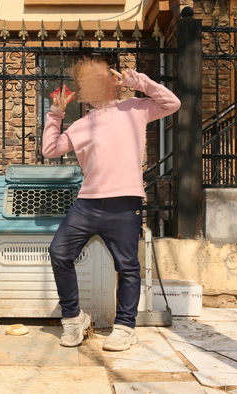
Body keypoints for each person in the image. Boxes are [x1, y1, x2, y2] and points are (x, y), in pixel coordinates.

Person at [42, 55, 181, 351]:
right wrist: (55, 113)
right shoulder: (80, 125)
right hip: (87, 204)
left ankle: (125, 327)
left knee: (128, 267)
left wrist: (137, 81)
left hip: (124, 203)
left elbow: (171, 103)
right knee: (59, 252)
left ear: (111, 81)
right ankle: (73, 319)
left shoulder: (135, 109)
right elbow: (50, 149)